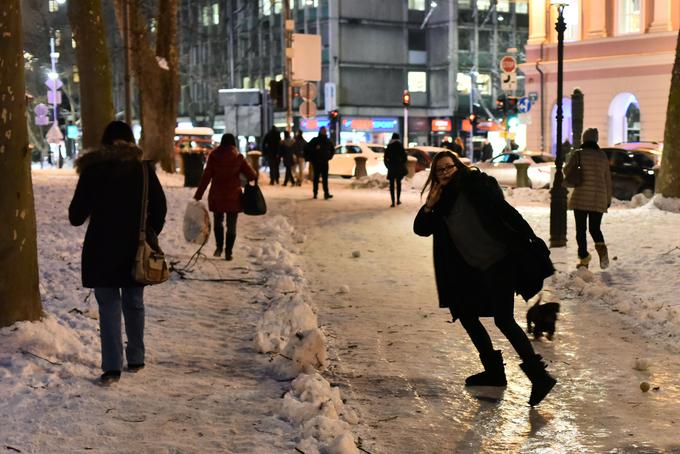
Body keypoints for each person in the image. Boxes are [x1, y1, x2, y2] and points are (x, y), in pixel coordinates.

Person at [413, 150, 557, 407]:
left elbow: (505, 211)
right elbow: (421, 230)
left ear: (458, 166)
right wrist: (429, 205)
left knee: (504, 320)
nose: (446, 172)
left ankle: (539, 376)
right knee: (467, 315)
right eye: (440, 170)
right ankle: (494, 371)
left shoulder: (478, 185)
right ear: (435, 175)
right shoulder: (441, 201)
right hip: (470, 271)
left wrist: (529, 239)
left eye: (449, 167)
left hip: (499, 263)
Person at [69, 121, 167, 385]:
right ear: (131, 141)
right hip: (134, 247)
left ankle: (112, 367)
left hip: (101, 249)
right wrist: (147, 234)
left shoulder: (92, 171)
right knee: (134, 303)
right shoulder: (144, 170)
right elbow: (159, 209)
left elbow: (76, 216)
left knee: (109, 306)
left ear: (104, 142)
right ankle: (136, 356)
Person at [194, 133, 257, 260]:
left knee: (218, 222)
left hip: (217, 195)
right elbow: (252, 175)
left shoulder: (214, 156)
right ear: (233, 143)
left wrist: (198, 194)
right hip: (234, 196)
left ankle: (218, 248)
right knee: (231, 225)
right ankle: (229, 252)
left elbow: (206, 177)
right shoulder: (238, 157)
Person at [565, 128, 612, 269]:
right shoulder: (602, 156)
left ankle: (584, 258)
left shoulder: (579, 154)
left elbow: (567, 170)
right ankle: (603, 255)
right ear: (596, 140)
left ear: (584, 139)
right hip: (599, 197)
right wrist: (608, 199)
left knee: (581, 230)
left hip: (581, 198)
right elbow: (607, 179)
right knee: (595, 228)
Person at [307, 126, 335, 199]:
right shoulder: (315, 140)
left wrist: (329, 157)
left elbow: (332, 150)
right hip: (317, 162)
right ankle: (315, 193)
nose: (324, 132)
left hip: (324, 162)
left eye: (325, 130)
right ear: (320, 131)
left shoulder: (328, 141)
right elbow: (308, 148)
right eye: (323, 130)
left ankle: (326, 193)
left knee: (325, 179)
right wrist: (314, 151)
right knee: (316, 178)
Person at [384, 132, 407, 207]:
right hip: (399, 167)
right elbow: (405, 158)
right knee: (398, 183)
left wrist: (387, 166)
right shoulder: (400, 146)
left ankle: (393, 202)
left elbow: (385, 157)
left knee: (391, 185)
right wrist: (401, 163)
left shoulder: (389, 146)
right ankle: (398, 200)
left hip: (391, 167)